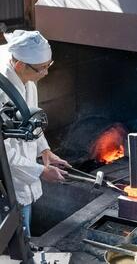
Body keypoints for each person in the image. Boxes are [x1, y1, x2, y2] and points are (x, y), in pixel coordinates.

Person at [0, 30, 70, 239]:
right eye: (41, 69)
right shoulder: (2, 92)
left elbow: (32, 118)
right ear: (20, 64)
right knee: (14, 241)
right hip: (5, 183)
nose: (46, 73)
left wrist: (45, 150)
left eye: (48, 65)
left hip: (23, 171)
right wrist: (40, 171)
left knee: (24, 233)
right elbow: (3, 154)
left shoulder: (27, 77)